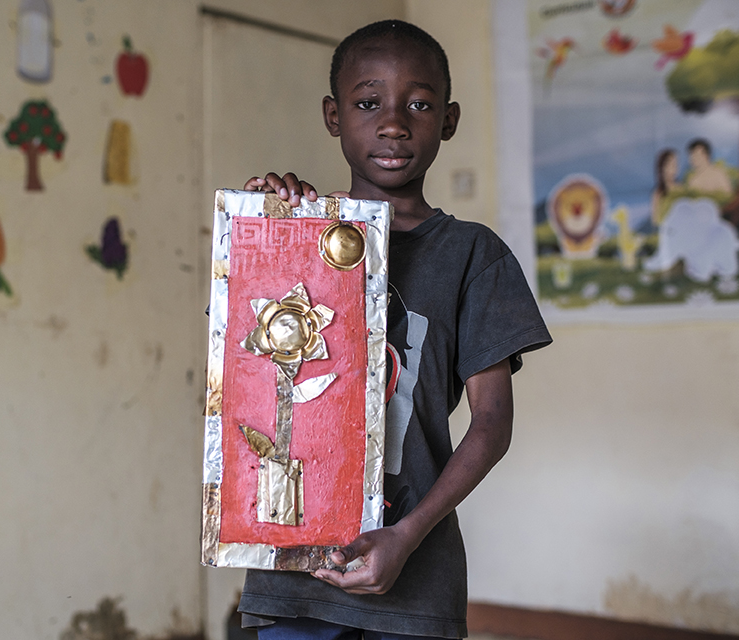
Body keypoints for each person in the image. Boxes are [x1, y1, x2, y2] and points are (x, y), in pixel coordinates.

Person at [236, 20, 552, 640]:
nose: (393, 123)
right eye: (367, 102)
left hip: (414, 574)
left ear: (449, 119)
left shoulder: (472, 255)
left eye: (419, 104)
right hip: (294, 575)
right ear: (333, 116)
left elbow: (492, 425)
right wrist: (264, 229)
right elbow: (244, 369)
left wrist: (406, 536)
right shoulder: (298, 238)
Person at [651, 148, 683, 226]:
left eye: (676, 164)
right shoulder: (658, 193)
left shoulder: (682, 189)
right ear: (662, 168)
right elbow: (655, 220)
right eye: (670, 165)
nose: (674, 168)